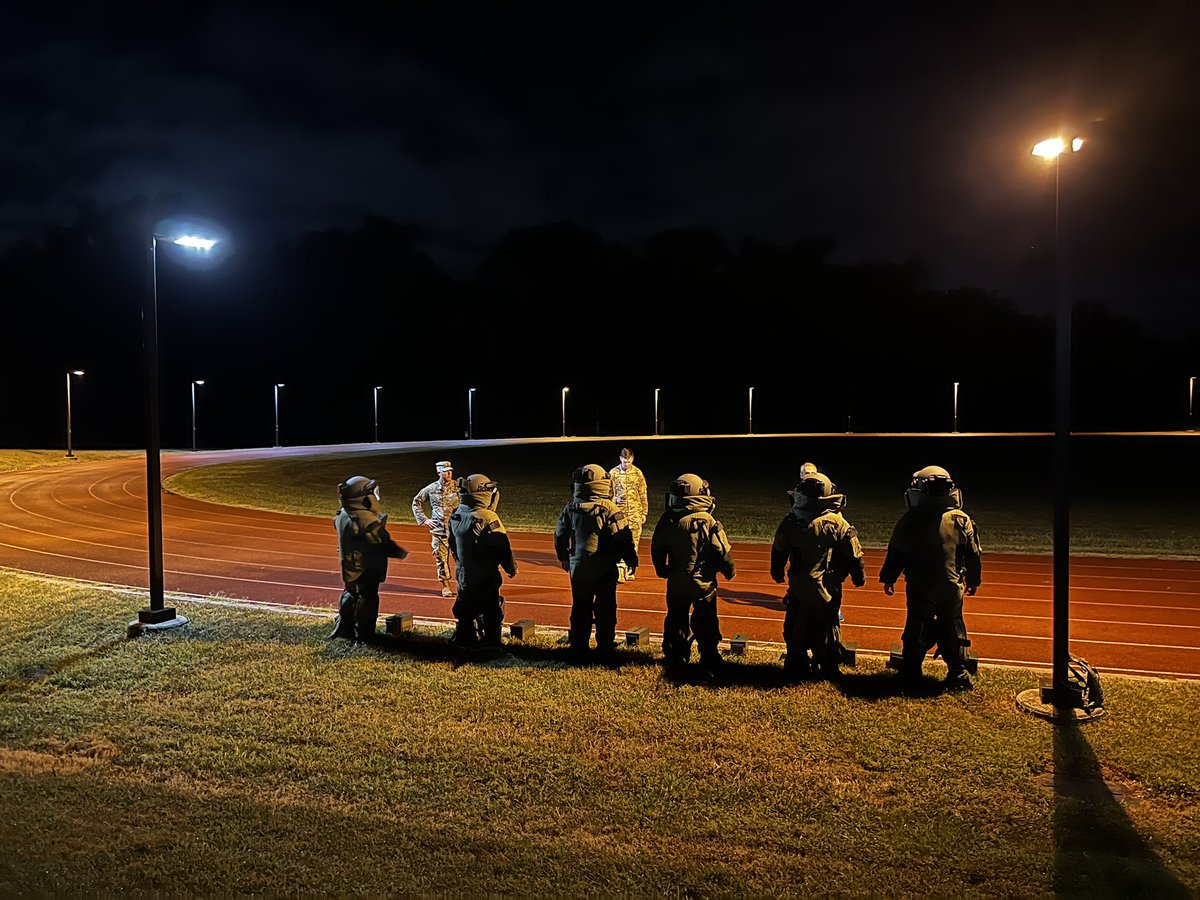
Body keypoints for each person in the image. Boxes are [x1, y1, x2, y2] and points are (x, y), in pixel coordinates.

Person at [879, 465, 983, 688]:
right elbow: (973, 554)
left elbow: (897, 552)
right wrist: (974, 580)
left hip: (920, 584)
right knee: (953, 625)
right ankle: (958, 673)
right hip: (951, 584)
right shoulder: (961, 519)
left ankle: (911, 671)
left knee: (917, 625)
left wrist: (889, 577)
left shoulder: (911, 519)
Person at [770, 470, 865, 679]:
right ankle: (827, 666)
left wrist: (776, 572)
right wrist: (859, 577)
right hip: (828, 589)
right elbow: (853, 555)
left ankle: (796, 664)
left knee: (795, 626)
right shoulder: (837, 523)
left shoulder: (790, 522)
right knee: (828, 627)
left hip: (798, 587)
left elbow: (778, 552)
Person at [650, 473, 737, 676]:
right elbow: (721, 550)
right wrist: (729, 571)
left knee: (675, 618)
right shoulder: (707, 520)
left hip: (676, 580)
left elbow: (657, 548)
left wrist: (662, 569)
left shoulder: (668, 519)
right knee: (705, 619)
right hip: (702, 581)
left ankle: (675, 654)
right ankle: (708, 655)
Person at [554, 463, 639, 659]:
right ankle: (604, 646)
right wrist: (631, 559)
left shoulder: (571, 508)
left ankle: (578, 646)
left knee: (580, 607)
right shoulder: (609, 509)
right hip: (604, 568)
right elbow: (623, 537)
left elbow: (560, 535)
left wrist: (564, 557)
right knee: (606, 609)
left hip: (579, 568)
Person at [330, 475, 409, 643]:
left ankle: (346, 629)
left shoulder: (343, 513)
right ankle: (365, 635)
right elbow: (380, 542)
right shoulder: (366, 518)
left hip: (349, 563)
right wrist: (399, 552)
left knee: (350, 593)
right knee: (368, 598)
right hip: (366, 566)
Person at [447, 473, 517, 648]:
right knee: (491, 609)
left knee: (465, 606)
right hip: (485, 574)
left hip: (463, 572)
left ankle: (465, 638)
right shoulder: (489, 518)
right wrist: (510, 568)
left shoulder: (456, 515)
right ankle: (491, 643)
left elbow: (452, 544)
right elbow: (502, 547)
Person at [412, 460, 460, 598]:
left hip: (457, 531)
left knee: (462, 560)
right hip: (439, 531)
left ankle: (463, 586)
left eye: (450, 471)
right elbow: (416, 502)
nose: (449, 473)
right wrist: (425, 520)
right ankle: (445, 586)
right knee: (441, 559)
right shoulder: (431, 489)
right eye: (445, 471)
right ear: (439, 472)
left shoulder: (459, 487)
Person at [609, 447, 649, 581]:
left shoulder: (638, 473)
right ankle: (620, 571)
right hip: (618, 514)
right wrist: (614, 500)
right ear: (620, 459)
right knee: (619, 541)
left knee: (634, 542)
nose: (627, 464)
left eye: (629, 461)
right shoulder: (613, 473)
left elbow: (643, 493)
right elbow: (607, 494)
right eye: (625, 461)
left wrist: (644, 512)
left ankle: (631, 570)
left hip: (635, 513)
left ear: (632, 459)